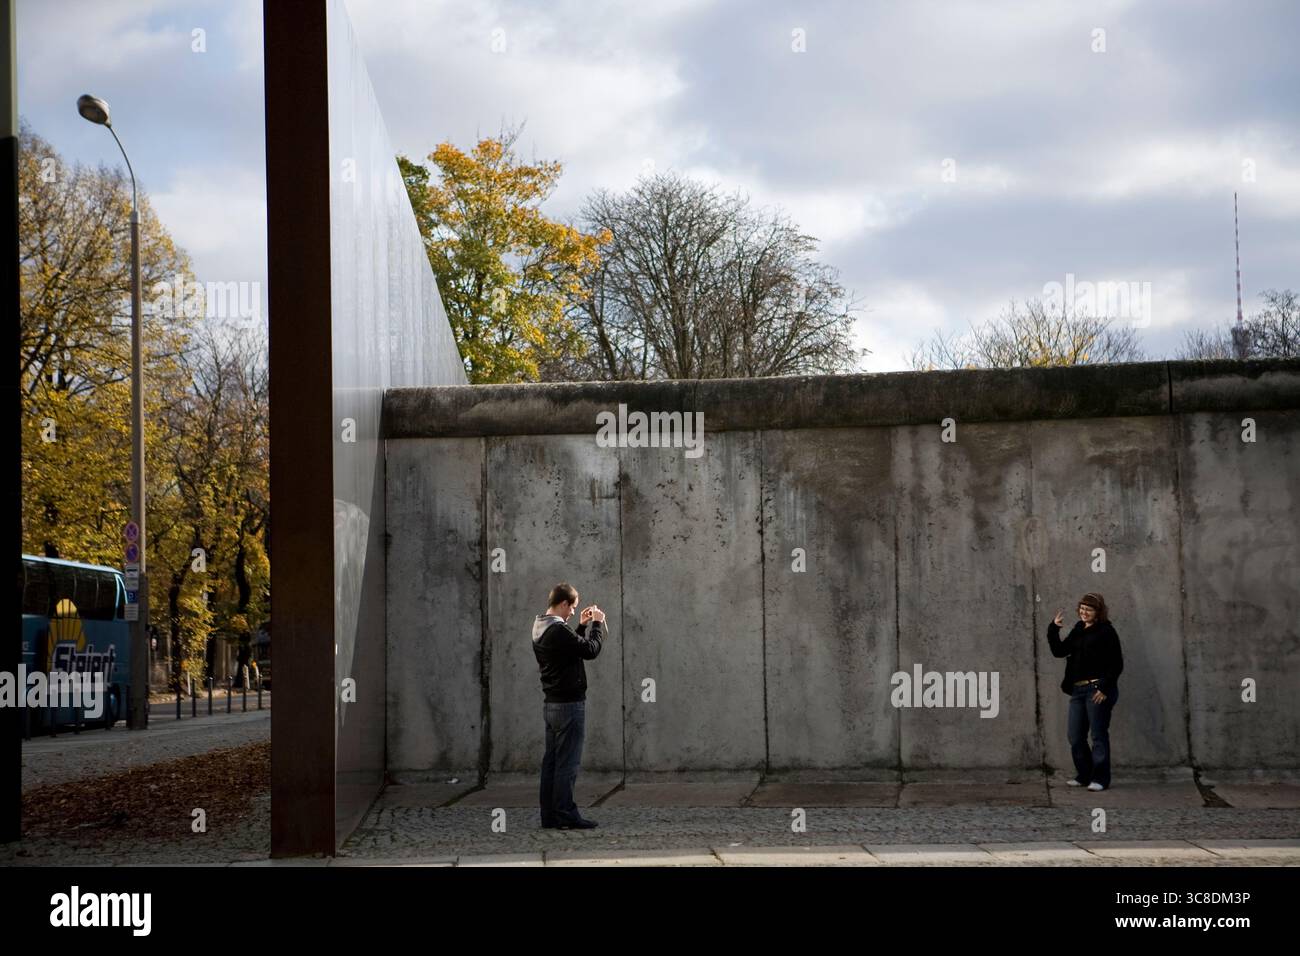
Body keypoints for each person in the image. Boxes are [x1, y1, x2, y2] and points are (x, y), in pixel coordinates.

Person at [532, 583, 607, 830]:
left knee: (552, 763)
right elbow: (590, 650)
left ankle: (550, 815)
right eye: (573, 607)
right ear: (563, 603)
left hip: (552, 705)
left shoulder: (542, 626)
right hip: (569, 706)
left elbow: (568, 650)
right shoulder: (558, 630)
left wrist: (582, 627)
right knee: (567, 764)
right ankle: (566, 814)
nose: (574, 612)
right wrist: (596, 624)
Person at [1047, 592, 1124, 791]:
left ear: (1098, 612)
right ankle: (1085, 774)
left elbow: (1116, 663)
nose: (1084, 613)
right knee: (1075, 736)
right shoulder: (1079, 629)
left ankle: (1100, 779)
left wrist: (1105, 688)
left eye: (1088, 610)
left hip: (1097, 689)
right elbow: (1060, 651)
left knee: (1098, 735)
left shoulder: (1106, 631)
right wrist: (1054, 628)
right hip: (1078, 690)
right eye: (1081, 609)